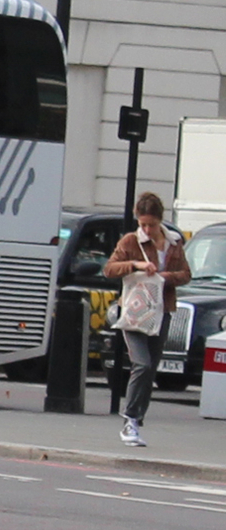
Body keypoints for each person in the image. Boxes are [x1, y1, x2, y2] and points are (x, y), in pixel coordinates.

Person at [103, 191, 190, 446]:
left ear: (160, 221)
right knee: (140, 363)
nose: (147, 230)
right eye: (142, 224)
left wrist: (163, 276)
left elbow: (186, 274)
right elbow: (109, 269)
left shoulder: (174, 242)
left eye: (151, 225)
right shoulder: (131, 241)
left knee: (150, 368)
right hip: (134, 312)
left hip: (161, 310)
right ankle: (129, 419)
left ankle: (137, 418)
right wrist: (136, 265)